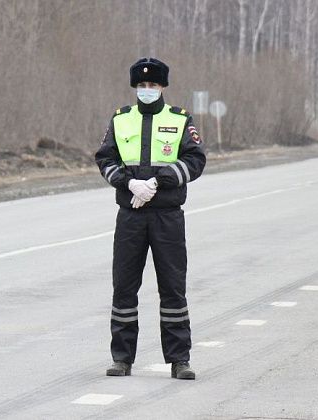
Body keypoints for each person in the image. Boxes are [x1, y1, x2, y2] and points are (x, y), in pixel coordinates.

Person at [94, 57, 206, 380]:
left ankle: (179, 360)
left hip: (167, 216)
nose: (147, 90)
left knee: (173, 289)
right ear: (135, 88)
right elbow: (105, 158)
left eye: (152, 85)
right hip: (131, 215)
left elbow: (195, 160)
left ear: (162, 87)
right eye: (142, 86)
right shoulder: (120, 120)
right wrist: (128, 182)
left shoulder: (181, 120)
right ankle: (122, 358)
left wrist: (159, 181)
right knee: (124, 288)